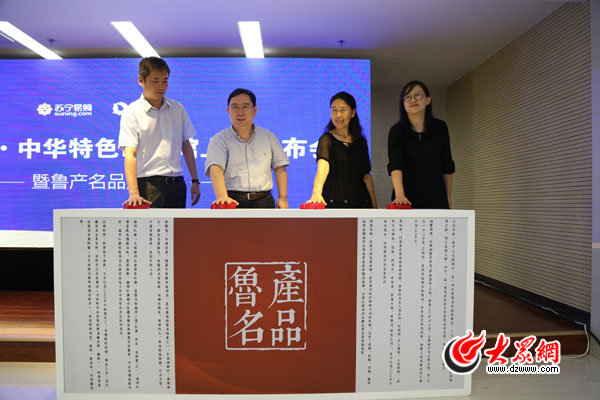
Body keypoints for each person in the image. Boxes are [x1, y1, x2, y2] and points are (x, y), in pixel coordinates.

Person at [118, 57, 200, 208]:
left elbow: (186, 146)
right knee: (150, 224)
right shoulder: (132, 112)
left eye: (165, 81)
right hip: (149, 185)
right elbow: (130, 154)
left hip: (177, 183)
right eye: (155, 81)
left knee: (178, 224)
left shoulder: (177, 108)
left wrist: (195, 180)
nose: (161, 87)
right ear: (141, 80)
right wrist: (133, 193)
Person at [205, 88, 289, 208]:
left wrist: (282, 198)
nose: (240, 112)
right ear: (228, 110)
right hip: (232, 200)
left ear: (255, 110)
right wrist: (222, 196)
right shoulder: (219, 140)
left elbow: (280, 167)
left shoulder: (268, 137)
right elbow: (215, 169)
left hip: (264, 200)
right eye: (235, 107)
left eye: (245, 107)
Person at [387, 80, 455, 208]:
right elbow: (395, 165)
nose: (412, 100)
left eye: (417, 95)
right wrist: (400, 194)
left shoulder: (440, 127)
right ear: (403, 103)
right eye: (407, 97)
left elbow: (447, 164)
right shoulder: (396, 131)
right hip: (405, 198)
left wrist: (448, 196)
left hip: (437, 197)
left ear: (428, 100)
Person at [306, 91, 377, 208]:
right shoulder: (326, 139)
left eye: (343, 110)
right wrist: (316, 192)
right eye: (334, 110)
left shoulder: (360, 141)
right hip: (334, 201)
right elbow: (323, 167)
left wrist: (374, 206)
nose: (338, 115)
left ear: (352, 113)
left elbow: (366, 176)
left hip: (361, 202)